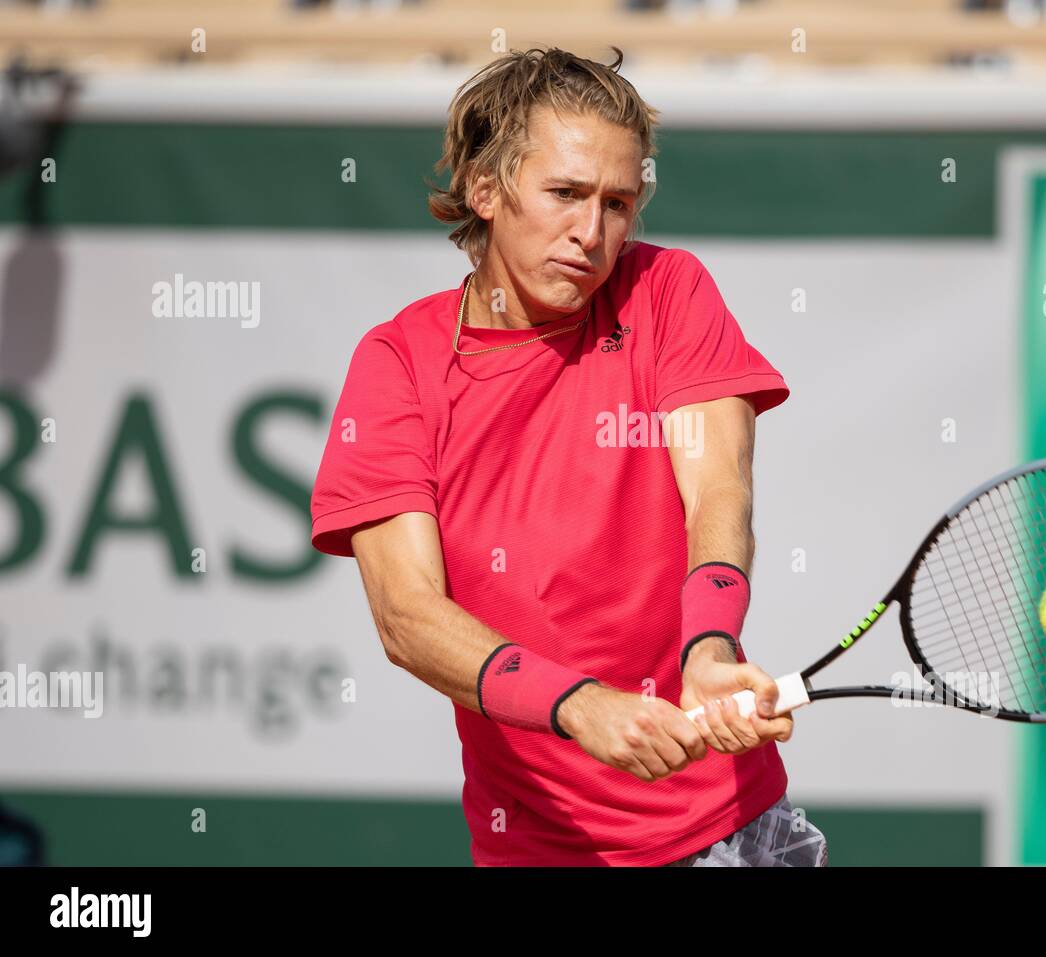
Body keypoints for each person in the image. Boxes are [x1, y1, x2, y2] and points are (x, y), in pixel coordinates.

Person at [310, 46, 827, 867]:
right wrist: (581, 705)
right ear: (485, 190)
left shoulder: (668, 291)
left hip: (731, 833)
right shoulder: (398, 362)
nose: (592, 232)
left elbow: (717, 491)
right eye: (566, 194)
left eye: (618, 202)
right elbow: (407, 617)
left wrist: (711, 648)